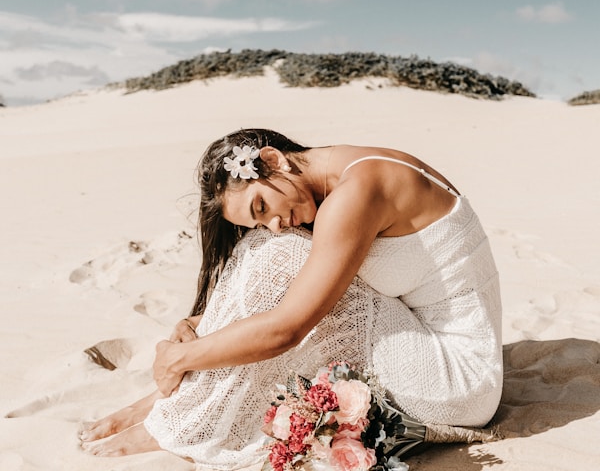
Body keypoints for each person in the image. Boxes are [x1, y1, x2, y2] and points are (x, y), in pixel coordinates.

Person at [80, 128, 502, 466]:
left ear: (272, 161)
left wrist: (177, 358)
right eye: (257, 219)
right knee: (270, 249)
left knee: (278, 255)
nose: (274, 222)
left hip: (458, 379)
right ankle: (173, 400)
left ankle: (174, 414)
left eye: (261, 206)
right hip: (431, 342)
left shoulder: (356, 193)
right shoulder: (345, 169)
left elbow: (286, 329)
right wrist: (200, 325)